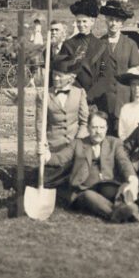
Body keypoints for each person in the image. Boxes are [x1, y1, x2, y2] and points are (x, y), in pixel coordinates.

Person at [39, 111, 139, 222]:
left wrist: (132, 179)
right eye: (94, 127)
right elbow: (60, 158)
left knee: (125, 187)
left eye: (102, 127)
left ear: (106, 128)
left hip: (107, 186)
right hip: (84, 190)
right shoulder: (77, 144)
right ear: (88, 128)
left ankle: (127, 208)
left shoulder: (114, 143)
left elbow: (124, 162)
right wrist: (47, 156)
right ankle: (116, 214)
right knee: (89, 196)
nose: (98, 132)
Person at [43, 56, 90, 187]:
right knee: (49, 179)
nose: (55, 78)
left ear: (70, 77)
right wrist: (44, 142)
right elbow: (40, 123)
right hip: (54, 143)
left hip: (74, 141)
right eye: (54, 75)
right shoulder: (45, 95)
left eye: (59, 75)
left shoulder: (79, 93)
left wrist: (79, 140)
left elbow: (84, 121)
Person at [96, 0, 139, 134]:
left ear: (122, 23)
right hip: (104, 98)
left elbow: (135, 72)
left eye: (117, 20)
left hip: (124, 97)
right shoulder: (98, 43)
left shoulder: (130, 44)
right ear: (105, 20)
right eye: (110, 19)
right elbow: (98, 71)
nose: (113, 23)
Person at [60, 0, 108, 104]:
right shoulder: (68, 44)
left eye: (84, 21)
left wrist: (91, 95)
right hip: (73, 97)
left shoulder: (102, 45)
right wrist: (78, 93)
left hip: (96, 98)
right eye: (78, 21)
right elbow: (63, 72)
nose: (81, 25)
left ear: (92, 21)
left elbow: (104, 74)